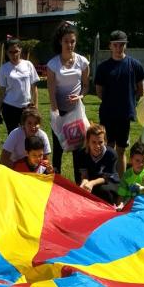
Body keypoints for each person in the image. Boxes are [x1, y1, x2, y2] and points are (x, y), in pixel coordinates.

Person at [95, 30, 144, 177]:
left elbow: (141, 90)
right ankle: (109, 178)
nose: (118, 48)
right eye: (115, 45)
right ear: (110, 46)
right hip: (108, 114)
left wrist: (127, 100)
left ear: (125, 46)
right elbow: (99, 92)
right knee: (108, 148)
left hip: (124, 114)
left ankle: (121, 182)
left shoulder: (135, 65)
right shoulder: (103, 67)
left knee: (121, 149)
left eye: (121, 45)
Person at [47, 21, 89, 183]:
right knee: (58, 149)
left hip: (76, 113)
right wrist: (56, 113)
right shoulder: (52, 64)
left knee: (78, 150)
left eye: (72, 41)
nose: (69, 45)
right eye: (66, 41)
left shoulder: (83, 62)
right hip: (59, 112)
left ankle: (79, 184)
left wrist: (80, 97)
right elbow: (51, 91)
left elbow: (86, 86)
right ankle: (55, 182)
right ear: (60, 42)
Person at [0, 39, 39, 134]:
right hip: (9, 108)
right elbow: (1, 92)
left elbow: (34, 88)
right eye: (10, 52)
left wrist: (35, 106)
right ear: (6, 52)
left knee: (28, 135)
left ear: (20, 50)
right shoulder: (4, 68)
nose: (14, 54)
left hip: (26, 108)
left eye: (16, 51)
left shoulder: (28, 65)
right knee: (13, 136)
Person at [78, 123, 119, 204]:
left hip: (109, 182)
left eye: (100, 142)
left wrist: (92, 183)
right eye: (93, 142)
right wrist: (84, 182)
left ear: (105, 141)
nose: (97, 146)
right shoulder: (82, 154)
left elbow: (106, 178)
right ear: (88, 142)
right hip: (91, 181)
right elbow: (85, 175)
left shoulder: (111, 154)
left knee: (104, 191)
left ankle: (111, 208)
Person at [116, 141, 144, 210]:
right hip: (131, 204)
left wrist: (142, 188)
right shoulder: (127, 175)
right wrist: (120, 205)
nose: (141, 164)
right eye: (137, 160)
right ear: (131, 160)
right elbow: (121, 196)